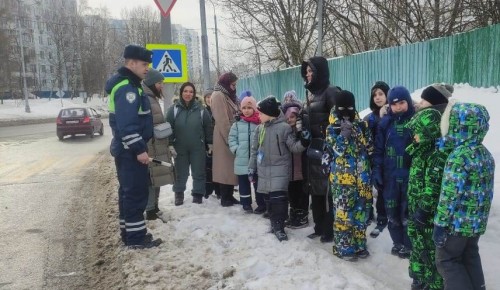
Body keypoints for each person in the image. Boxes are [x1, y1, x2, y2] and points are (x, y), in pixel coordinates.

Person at [105, 44, 162, 249]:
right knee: (135, 193)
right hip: (130, 151)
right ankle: (136, 238)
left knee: (128, 193)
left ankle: (129, 234)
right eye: (144, 64)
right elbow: (127, 126)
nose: (147, 68)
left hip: (126, 150)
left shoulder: (130, 84)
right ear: (131, 63)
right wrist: (139, 150)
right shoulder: (127, 88)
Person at [433, 101, 494, 290]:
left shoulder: (458, 156)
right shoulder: (485, 154)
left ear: (458, 125)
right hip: (476, 223)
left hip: (456, 224)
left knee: (447, 261)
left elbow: (450, 195)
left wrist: (441, 224)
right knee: (470, 255)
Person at [405, 83, 453, 289]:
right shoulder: (419, 149)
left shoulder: (434, 153)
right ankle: (419, 277)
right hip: (417, 206)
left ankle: (432, 283)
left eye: (423, 100)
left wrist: (424, 208)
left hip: (427, 211)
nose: (413, 136)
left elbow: (433, 186)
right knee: (418, 246)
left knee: (429, 250)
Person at [248, 96, 310, 241]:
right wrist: (251, 168)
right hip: (264, 170)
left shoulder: (284, 128)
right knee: (268, 200)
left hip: (280, 170)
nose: (259, 115)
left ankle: (280, 227)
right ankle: (274, 224)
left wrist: (304, 141)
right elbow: (254, 151)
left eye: (261, 113)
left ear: (269, 113)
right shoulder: (259, 129)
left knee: (279, 201)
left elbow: (294, 147)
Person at [323, 90, 373, 261]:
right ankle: (344, 247)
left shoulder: (362, 125)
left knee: (361, 213)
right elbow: (334, 151)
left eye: (350, 107)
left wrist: (358, 133)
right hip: (342, 180)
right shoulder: (331, 128)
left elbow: (369, 147)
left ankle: (359, 245)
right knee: (343, 214)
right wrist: (343, 136)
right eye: (342, 108)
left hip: (362, 178)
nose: (346, 111)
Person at [300, 56, 340, 243]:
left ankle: (329, 228)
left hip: (327, 149)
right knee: (315, 189)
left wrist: (331, 142)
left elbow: (340, 120)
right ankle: (319, 226)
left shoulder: (331, 92)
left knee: (328, 191)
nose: (308, 75)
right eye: (306, 71)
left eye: (311, 71)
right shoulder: (310, 95)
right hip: (313, 149)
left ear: (320, 73)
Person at [373, 85, 415, 258]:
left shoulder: (415, 122)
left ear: (409, 102)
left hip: (409, 177)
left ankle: (408, 244)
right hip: (390, 178)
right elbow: (378, 150)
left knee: (407, 212)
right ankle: (397, 242)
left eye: (402, 103)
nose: (398, 107)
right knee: (392, 213)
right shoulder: (385, 124)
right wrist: (377, 170)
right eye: (394, 104)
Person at [166, 82, 213, 205]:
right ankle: (179, 193)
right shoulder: (173, 110)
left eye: (191, 92)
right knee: (181, 172)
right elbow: (168, 128)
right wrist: (170, 144)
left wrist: (210, 143)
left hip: (197, 146)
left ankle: (198, 194)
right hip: (179, 147)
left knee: (198, 171)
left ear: (194, 94)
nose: (188, 94)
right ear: (181, 93)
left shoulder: (201, 110)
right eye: (185, 91)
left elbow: (208, 127)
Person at [142, 68, 175, 220]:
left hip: (157, 144)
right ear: (151, 83)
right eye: (159, 83)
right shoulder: (146, 98)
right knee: (151, 177)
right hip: (151, 145)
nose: (161, 85)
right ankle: (150, 210)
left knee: (156, 176)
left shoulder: (151, 97)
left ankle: (154, 207)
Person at [228, 95, 264, 213]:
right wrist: (236, 149)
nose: (246, 110)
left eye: (249, 107)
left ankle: (261, 204)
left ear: (254, 109)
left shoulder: (259, 123)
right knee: (243, 184)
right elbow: (231, 139)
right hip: (241, 160)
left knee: (258, 184)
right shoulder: (237, 124)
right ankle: (246, 203)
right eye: (244, 108)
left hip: (256, 161)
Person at [364, 81, 390, 238]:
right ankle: (381, 219)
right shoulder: (370, 118)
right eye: (375, 95)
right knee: (379, 189)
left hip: (393, 159)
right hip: (376, 159)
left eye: (381, 94)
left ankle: (394, 218)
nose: (377, 97)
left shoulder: (393, 114)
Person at [211, 72, 241, 206]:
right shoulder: (218, 95)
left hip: (230, 133)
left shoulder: (226, 95)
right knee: (224, 167)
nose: (234, 88)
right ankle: (225, 197)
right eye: (233, 85)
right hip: (224, 135)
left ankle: (229, 195)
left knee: (230, 167)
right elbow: (222, 119)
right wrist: (230, 139)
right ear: (226, 83)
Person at [282, 100, 309, 228]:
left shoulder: (302, 129)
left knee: (302, 192)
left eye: (292, 117)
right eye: (287, 117)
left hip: (301, 168)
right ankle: (293, 213)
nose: (290, 120)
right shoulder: (286, 131)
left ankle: (302, 216)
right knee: (292, 192)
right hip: (290, 169)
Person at [203, 88, 221, 199]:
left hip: (218, 143)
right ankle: (208, 190)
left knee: (217, 167)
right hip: (206, 144)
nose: (210, 99)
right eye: (207, 97)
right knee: (208, 168)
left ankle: (219, 190)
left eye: (211, 97)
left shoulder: (218, 110)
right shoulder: (203, 111)